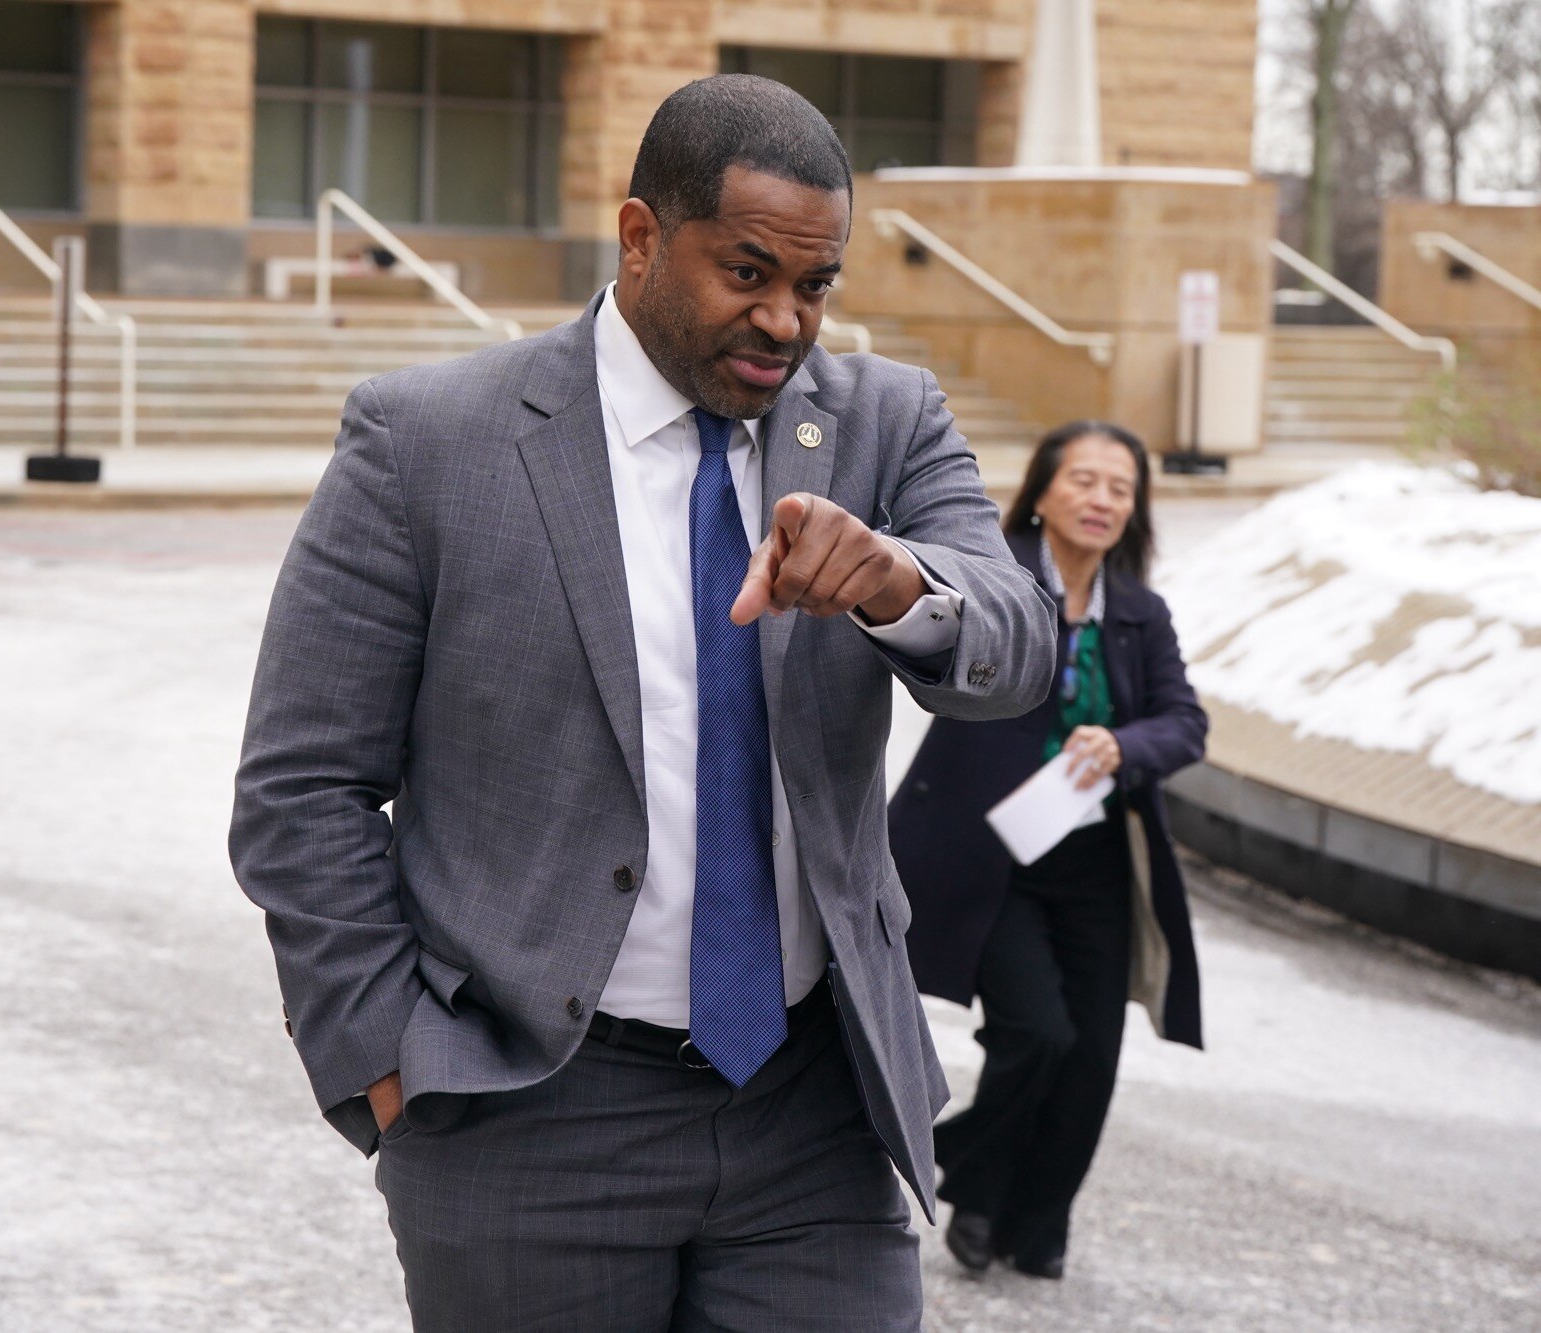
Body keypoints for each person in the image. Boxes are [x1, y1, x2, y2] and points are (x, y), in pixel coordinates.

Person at [230, 74, 1055, 1331]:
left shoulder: (886, 423)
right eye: (747, 273)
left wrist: (901, 588)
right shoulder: (427, 441)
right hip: (526, 1115)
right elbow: (302, 786)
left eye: (815, 286)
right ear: (637, 237)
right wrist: (392, 1064)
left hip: (809, 1112)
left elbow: (1017, 644)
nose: (786, 321)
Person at [889, 420, 1209, 1282]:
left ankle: (1035, 1220)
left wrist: (1125, 747)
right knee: (1038, 1031)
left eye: (1121, 487)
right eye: (1087, 481)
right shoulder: (995, 575)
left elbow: (1186, 722)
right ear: (1043, 490)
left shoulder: (1139, 611)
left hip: (1094, 862)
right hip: (993, 858)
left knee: (1093, 1058)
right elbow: (942, 663)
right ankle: (970, 1174)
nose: (1104, 500)